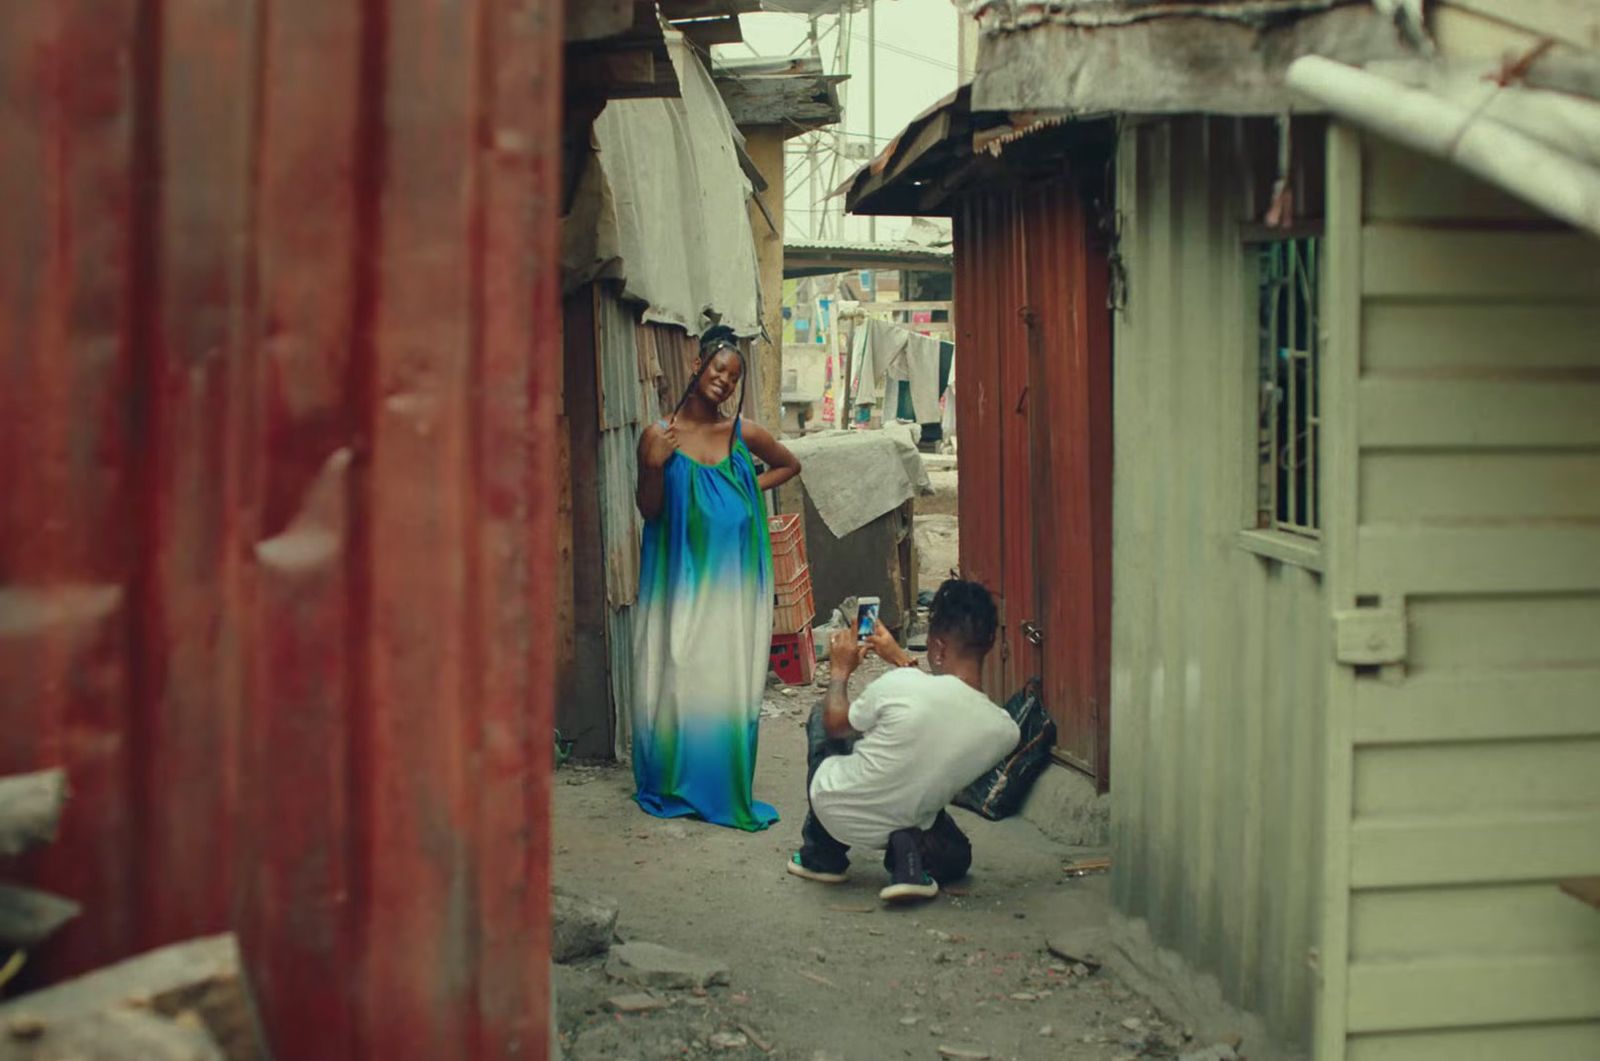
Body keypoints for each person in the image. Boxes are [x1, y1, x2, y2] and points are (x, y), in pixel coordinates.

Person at [631, 325, 802, 831]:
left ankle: (719, 785)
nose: (724, 382)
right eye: (718, 370)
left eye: (733, 376)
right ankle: (673, 783)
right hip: (680, 579)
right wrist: (652, 468)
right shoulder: (658, 436)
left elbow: (789, 465)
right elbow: (650, 511)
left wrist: (746, 490)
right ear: (697, 368)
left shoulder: (742, 434)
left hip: (734, 581)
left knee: (725, 680)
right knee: (679, 672)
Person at [786, 580, 1020, 901]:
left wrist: (840, 671)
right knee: (957, 856)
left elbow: (836, 724)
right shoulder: (1005, 732)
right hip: (908, 822)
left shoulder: (900, 685)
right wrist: (899, 658)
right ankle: (905, 856)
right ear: (990, 642)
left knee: (822, 714)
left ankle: (822, 854)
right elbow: (943, 713)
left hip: (834, 809)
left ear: (936, 647)